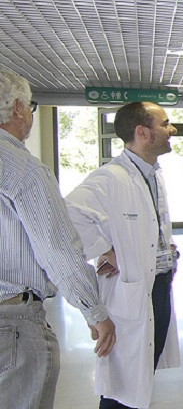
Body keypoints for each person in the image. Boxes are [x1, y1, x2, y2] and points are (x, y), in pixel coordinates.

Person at [0, 68, 116, 409]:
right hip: (12, 327)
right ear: (19, 108)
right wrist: (95, 312)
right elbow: (58, 250)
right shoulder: (23, 170)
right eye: (31, 106)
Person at [66, 101, 181, 409]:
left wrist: (165, 249)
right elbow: (68, 212)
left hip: (157, 285)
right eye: (165, 124)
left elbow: (149, 225)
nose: (172, 130)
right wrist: (104, 251)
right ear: (142, 132)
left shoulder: (152, 174)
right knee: (122, 382)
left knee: (143, 370)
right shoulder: (111, 177)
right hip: (133, 291)